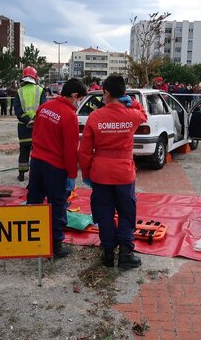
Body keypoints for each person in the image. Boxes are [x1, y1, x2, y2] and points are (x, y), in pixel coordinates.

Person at [78, 75, 147, 269]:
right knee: (126, 211)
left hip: (100, 173)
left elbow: (84, 151)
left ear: (106, 93)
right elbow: (144, 114)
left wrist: (86, 173)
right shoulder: (132, 115)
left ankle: (108, 253)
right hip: (124, 172)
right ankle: (125, 253)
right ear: (123, 93)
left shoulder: (95, 117)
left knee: (104, 212)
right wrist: (133, 102)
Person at [27, 78, 87, 258]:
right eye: (80, 99)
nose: (79, 103)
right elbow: (70, 149)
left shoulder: (44, 107)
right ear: (74, 95)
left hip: (37, 162)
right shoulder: (69, 116)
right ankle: (55, 245)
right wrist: (71, 174)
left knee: (34, 202)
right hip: (55, 167)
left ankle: (31, 240)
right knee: (57, 205)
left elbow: (35, 133)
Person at [13, 66, 47, 182]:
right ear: (35, 77)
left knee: (24, 150)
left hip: (23, 127)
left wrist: (28, 120)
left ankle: (21, 175)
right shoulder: (41, 90)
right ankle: (35, 175)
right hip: (38, 126)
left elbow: (18, 111)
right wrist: (35, 120)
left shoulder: (19, 92)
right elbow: (43, 108)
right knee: (37, 152)